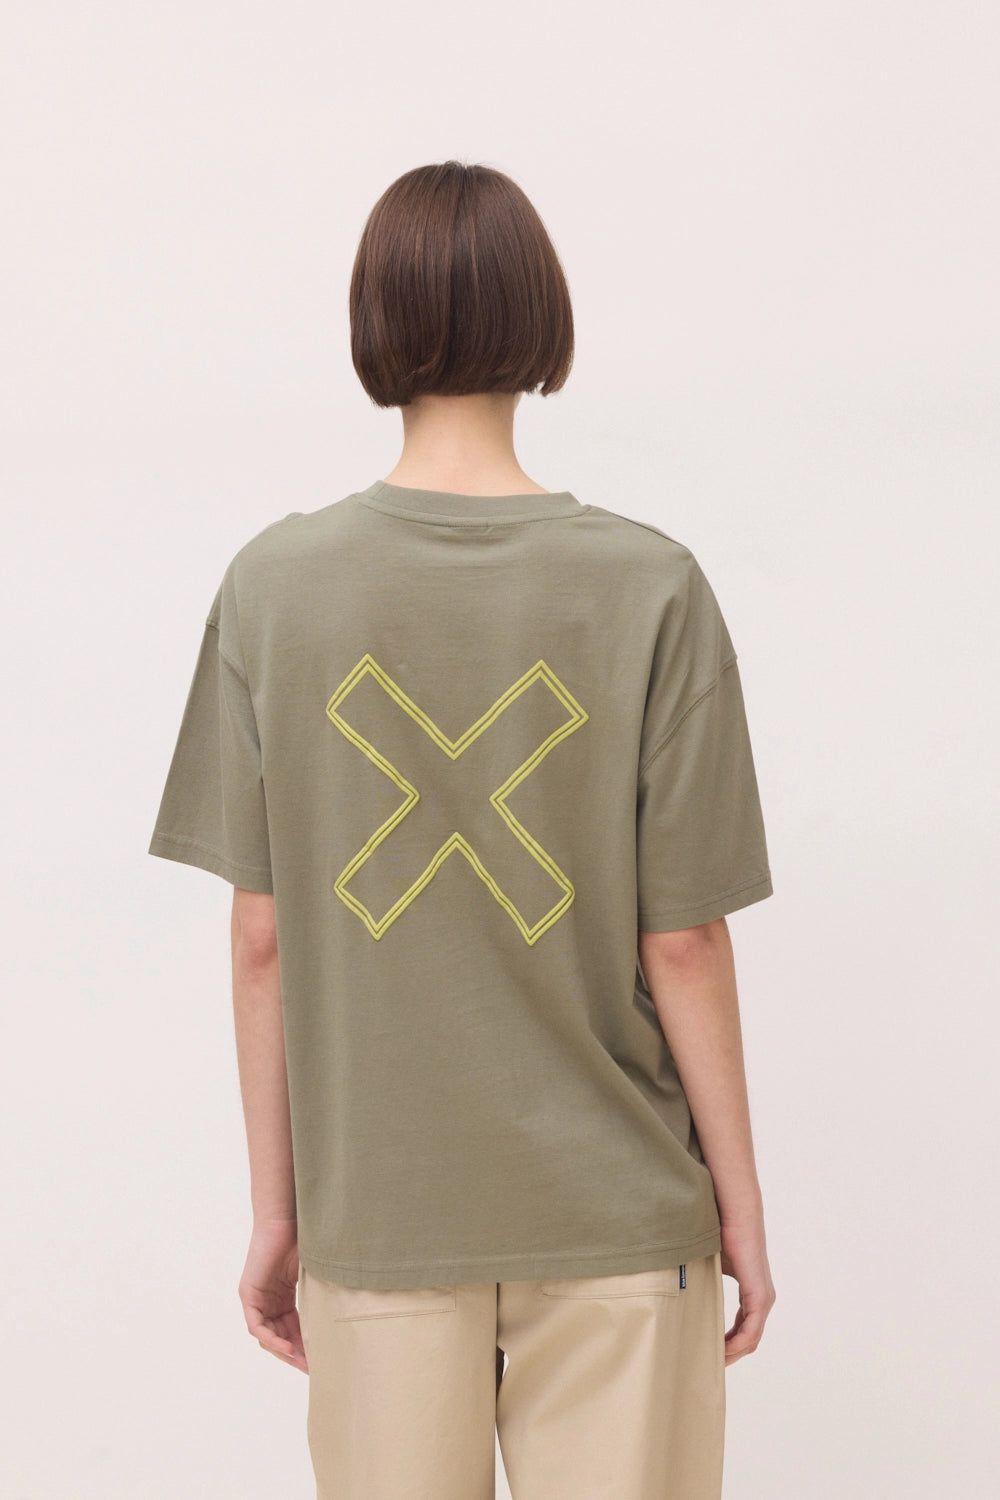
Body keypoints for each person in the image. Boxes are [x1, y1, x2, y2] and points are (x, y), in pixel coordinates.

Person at [148, 159, 777, 1500]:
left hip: (380, 1218)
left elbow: (262, 940)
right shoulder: (651, 587)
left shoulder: (274, 590)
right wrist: (741, 1207)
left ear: (373, 325)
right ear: (542, 317)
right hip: (618, 1221)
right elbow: (683, 943)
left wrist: (279, 1213)